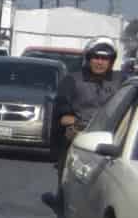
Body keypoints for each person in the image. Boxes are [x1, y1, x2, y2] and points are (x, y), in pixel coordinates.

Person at [52, 40, 123, 173]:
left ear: (111, 61)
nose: (100, 62)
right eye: (96, 57)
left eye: (105, 58)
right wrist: (80, 124)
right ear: (88, 58)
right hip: (79, 140)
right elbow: (62, 117)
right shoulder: (72, 80)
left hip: (113, 142)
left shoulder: (122, 81)